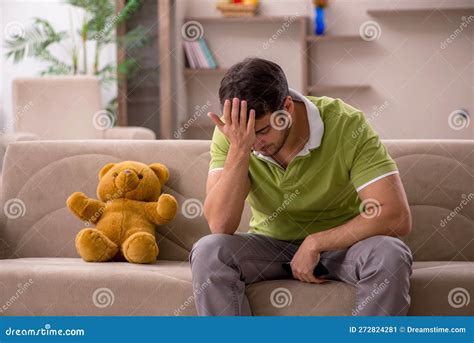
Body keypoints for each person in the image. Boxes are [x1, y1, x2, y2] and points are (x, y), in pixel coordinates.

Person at [189, 57, 413, 316]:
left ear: (287, 107)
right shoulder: (236, 135)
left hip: (342, 248)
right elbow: (220, 225)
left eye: (262, 131)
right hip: (268, 246)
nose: (255, 143)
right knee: (208, 251)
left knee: (390, 253)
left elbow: (396, 215)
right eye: (246, 135)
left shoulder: (346, 124)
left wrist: (316, 242)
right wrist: (239, 149)